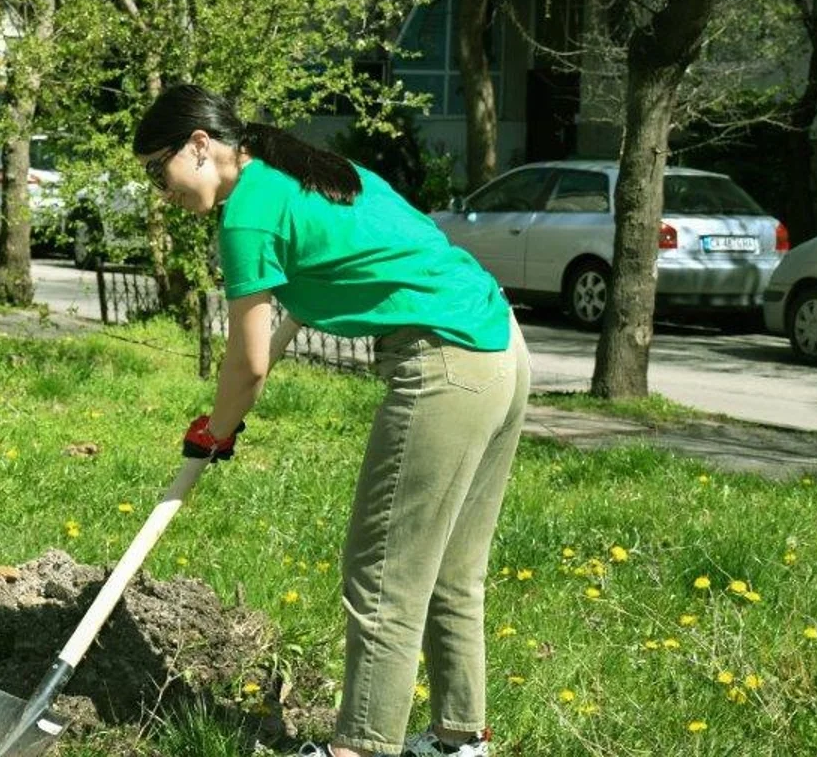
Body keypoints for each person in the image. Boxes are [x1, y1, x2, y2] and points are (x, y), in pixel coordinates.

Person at [134, 83, 528, 757]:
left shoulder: (246, 216)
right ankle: (460, 740)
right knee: (451, 571)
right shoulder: (303, 169)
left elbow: (247, 365)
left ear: (200, 146)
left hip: (446, 363)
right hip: (502, 348)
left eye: (155, 168)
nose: (156, 189)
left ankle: (360, 748)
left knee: (381, 573)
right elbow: (398, 242)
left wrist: (215, 428)